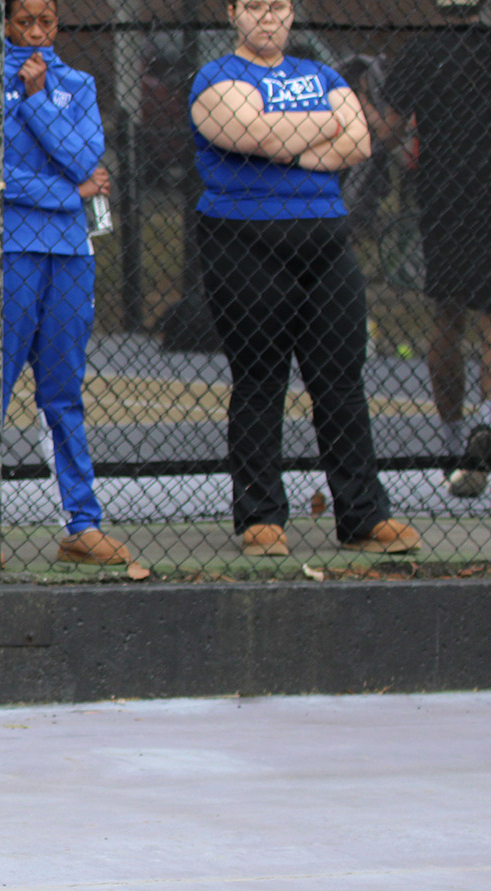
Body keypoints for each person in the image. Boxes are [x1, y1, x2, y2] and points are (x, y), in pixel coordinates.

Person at [189, 0, 420, 556]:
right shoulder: (215, 77)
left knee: (341, 381)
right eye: (253, 6)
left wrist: (284, 142)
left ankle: (362, 517)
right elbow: (255, 135)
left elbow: (358, 142)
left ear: (291, 14)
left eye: (278, 6)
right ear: (232, 13)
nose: (267, 17)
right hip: (243, 241)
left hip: (326, 243)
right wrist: (321, 127)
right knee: (260, 379)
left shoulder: (321, 73)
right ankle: (261, 517)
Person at [0, 0, 132, 569]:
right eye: (24, 21)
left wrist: (36, 101)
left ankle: (81, 524)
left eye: (46, 22)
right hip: (4, 248)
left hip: (71, 251)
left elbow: (86, 158)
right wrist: (69, 194)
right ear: (4, 24)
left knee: (63, 391)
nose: (35, 32)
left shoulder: (78, 83)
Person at [385, 0, 491, 498]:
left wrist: (359, 108)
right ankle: (481, 429)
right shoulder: (449, 51)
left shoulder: (421, 52)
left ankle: (454, 445)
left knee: (447, 314)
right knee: (485, 316)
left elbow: (387, 130)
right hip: (471, 190)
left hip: (446, 194)